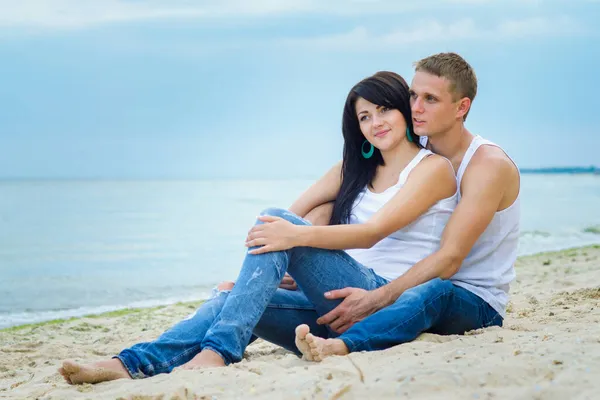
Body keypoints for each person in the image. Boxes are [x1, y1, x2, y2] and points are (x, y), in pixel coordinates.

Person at [59, 70, 458, 384]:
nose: (376, 123)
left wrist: (295, 237)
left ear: (404, 112)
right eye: (364, 117)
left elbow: (372, 232)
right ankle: (128, 364)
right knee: (231, 299)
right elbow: (283, 220)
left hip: (387, 299)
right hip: (335, 302)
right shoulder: (350, 170)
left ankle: (219, 352)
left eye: (384, 110)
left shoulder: (433, 169)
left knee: (277, 229)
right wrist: (263, 274)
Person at [294, 52, 521, 362]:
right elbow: (340, 197)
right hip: (410, 286)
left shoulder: (486, 165)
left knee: (435, 290)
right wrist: (295, 255)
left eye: (430, 99)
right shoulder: (416, 154)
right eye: (413, 95)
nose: (415, 107)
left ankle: (343, 345)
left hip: (473, 300)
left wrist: (377, 298)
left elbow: (450, 258)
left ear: (462, 107)